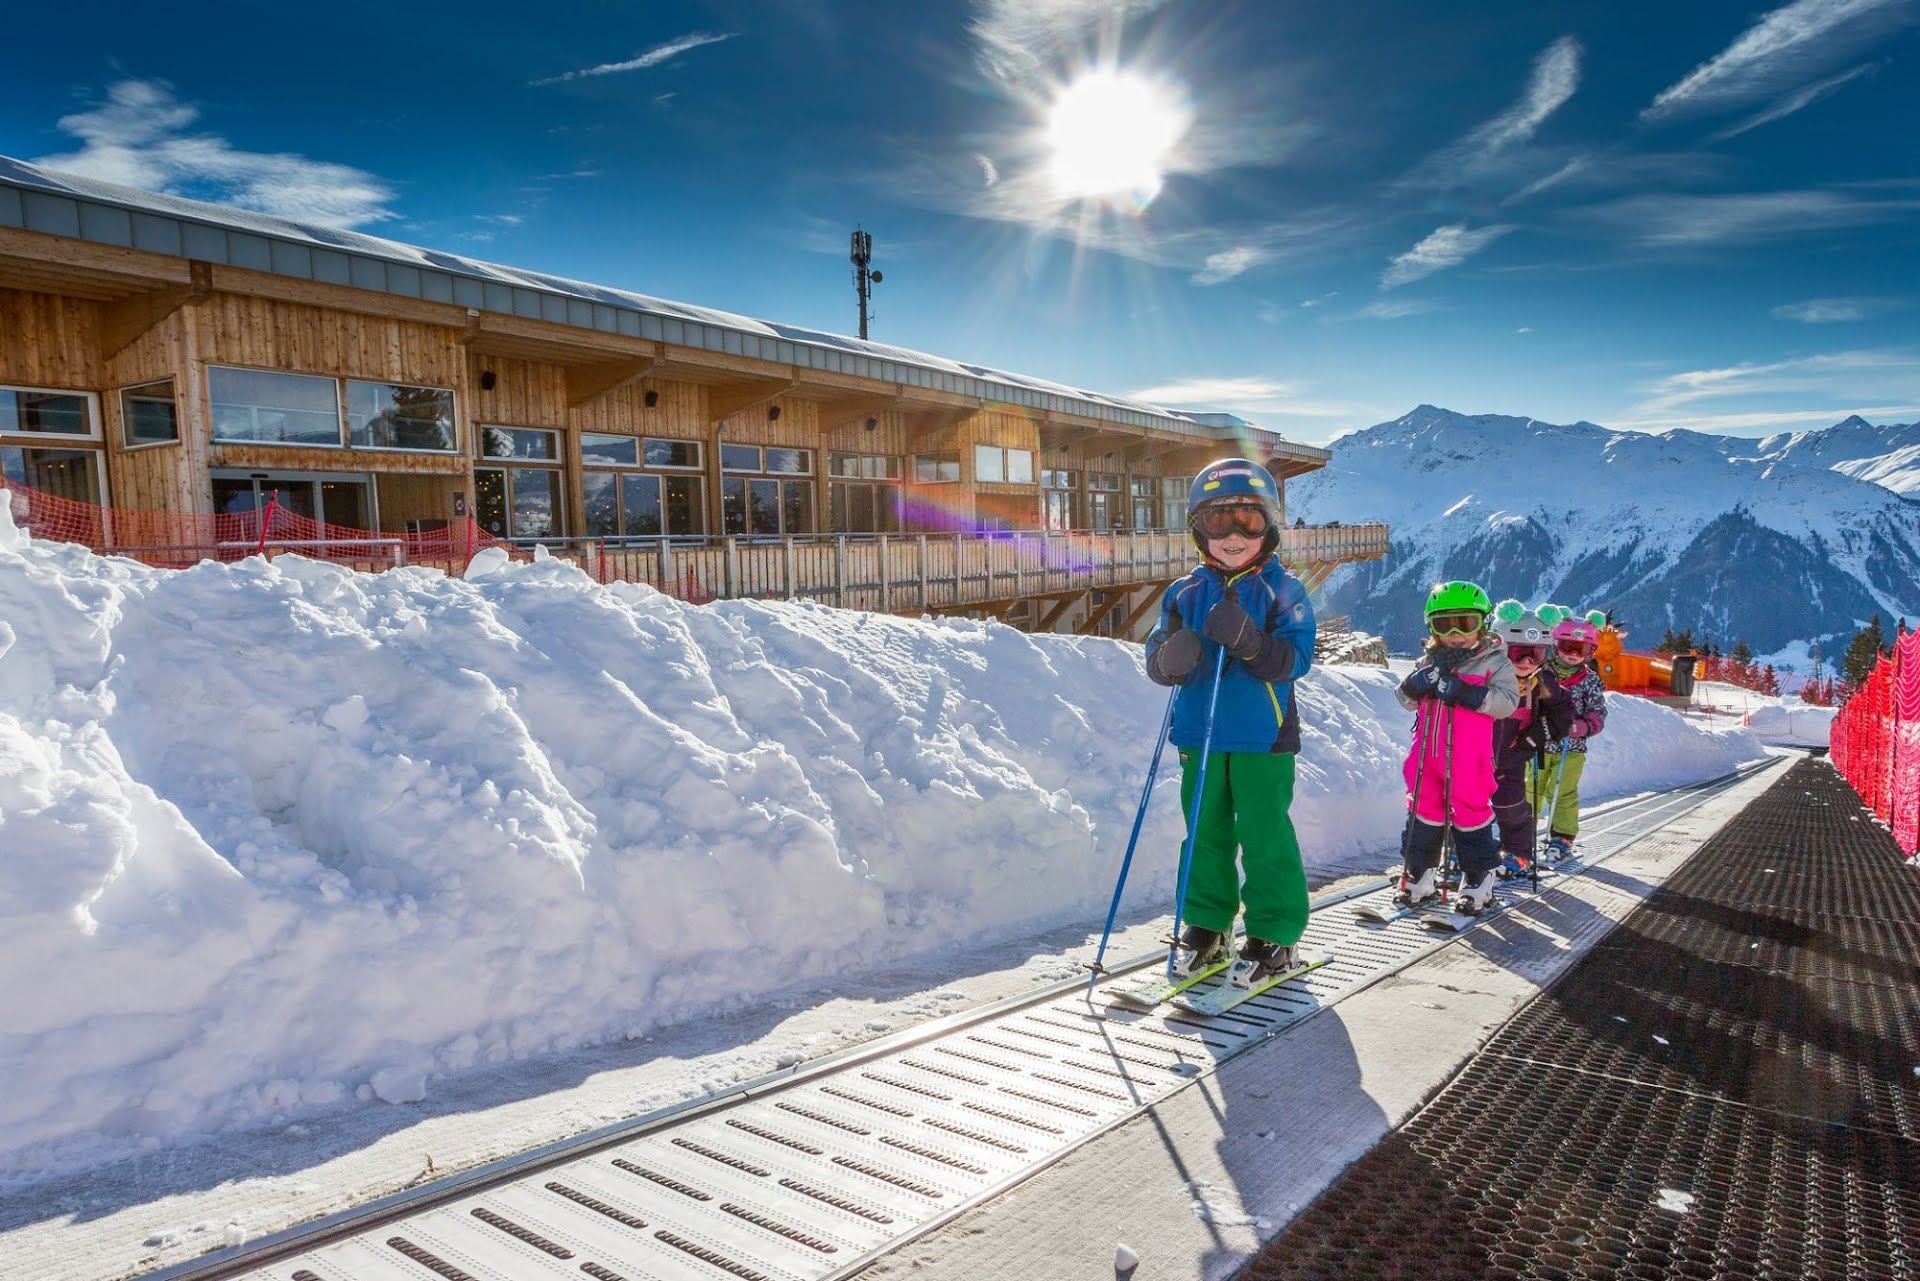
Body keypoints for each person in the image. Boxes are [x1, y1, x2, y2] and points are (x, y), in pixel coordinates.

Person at [1144, 458, 1317, 985]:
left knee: (1265, 834)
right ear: (1199, 529)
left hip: (1262, 737)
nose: (1236, 534)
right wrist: (1168, 659)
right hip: (1199, 736)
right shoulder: (1183, 594)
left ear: (1270, 527)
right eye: (1220, 521)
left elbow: (1296, 659)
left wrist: (1250, 641)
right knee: (1204, 833)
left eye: (1250, 518)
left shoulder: (1283, 590)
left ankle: (1274, 932)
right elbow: (1155, 657)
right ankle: (1207, 926)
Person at [1393, 581, 1519, 916]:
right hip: (1426, 758)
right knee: (1423, 813)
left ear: (1483, 623)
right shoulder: (1428, 661)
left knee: (1469, 814)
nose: (1455, 633)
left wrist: (1469, 694)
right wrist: (1413, 684)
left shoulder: (1493, 662)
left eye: (1465, 623)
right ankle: (1419, 874)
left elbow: (1508, 702)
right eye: (1443, 624)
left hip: (1469, 759)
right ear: (1431, 627)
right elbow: (1405, 700)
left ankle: (1479, 877)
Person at [1489, 600, 1573, 878]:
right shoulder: (1485, 676)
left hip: (1512, 756)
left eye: (1536, 655)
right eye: (1519, 653)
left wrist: (1536, 737)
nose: (1527, 662)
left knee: (1511, 807)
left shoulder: (1542, 683)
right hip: (1476, 755)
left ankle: (1518, 854)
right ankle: (1463, 851)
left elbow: (1563, 712)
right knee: (1465, 807)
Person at [1530, 607, 1608, 860]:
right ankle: (1522, 832)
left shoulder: (1590, 680)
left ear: (1590, 652)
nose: (1574, 655)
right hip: (1539, 746)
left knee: (1563, 790)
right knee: (1531, 788)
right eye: (1567, 647)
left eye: (1582, 650)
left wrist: (1585, 726)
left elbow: (1598, 711)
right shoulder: (1541, 673)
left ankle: (1562, 835)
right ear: (1555, 645)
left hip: (1570, 749)